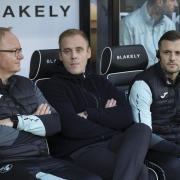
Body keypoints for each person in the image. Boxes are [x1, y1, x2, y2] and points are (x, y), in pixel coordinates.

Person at [38, 28, 155, 180]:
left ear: (88, 53)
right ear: (60, 56)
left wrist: (90, 114)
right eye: (67, 51)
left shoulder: (99, 81)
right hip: (80, 149)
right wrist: (109, 120)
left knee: (141, 128)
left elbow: (126, 115)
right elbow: (71, 127)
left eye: (79, 50)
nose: (74, 56)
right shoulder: (52, 86)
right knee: (139, 172)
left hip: (110, 141)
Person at [0, 27, 102, 180]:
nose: (21, 56)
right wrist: (36, 122)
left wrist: (16, 121)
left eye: (20, 50)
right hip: (8, 163)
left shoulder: (27, 84)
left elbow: (55, 123)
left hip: (43, 159)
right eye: (14, 51)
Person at [129, 30, 180, 180]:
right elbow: (143, 135)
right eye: (167, 52)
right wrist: (177, 150)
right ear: (158, 54)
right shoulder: (143, 84)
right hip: (156, 149)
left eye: (178, 53)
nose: (172, 58)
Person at [120, 0, 178, 68]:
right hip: (139, 77)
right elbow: (125, 62)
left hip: (165, 76)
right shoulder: (128, 24)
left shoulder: (169, 24)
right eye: (172, 0)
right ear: (159, 2)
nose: (176, 4)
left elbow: (174, 58)